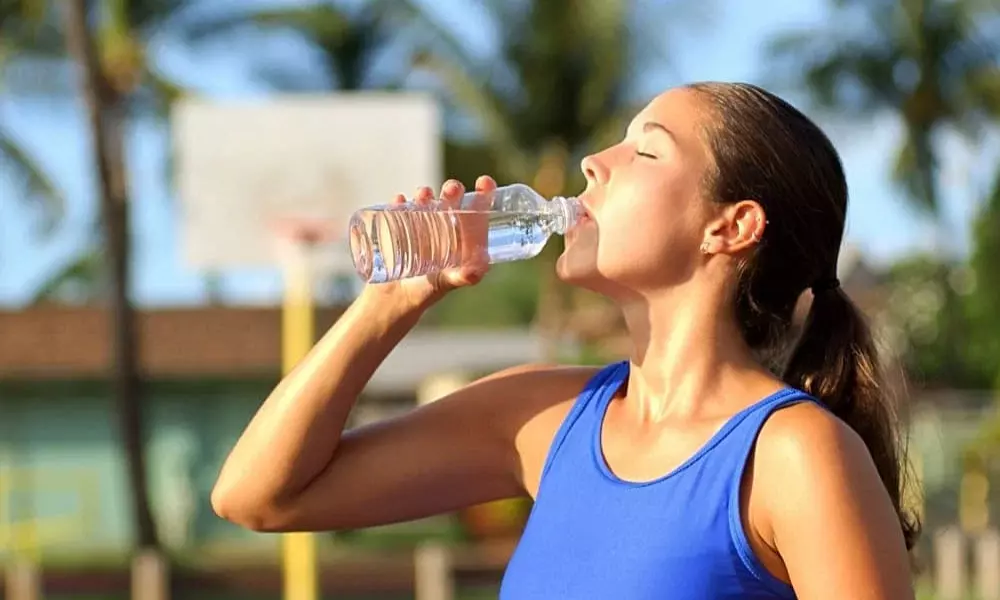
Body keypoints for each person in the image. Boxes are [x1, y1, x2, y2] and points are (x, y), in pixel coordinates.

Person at [211, 82, 918, 599]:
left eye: (645, 150)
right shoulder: (544, 420)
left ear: (730, 227)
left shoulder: (794, 456)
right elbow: (257, 497)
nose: (593, 165)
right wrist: (389, 302)